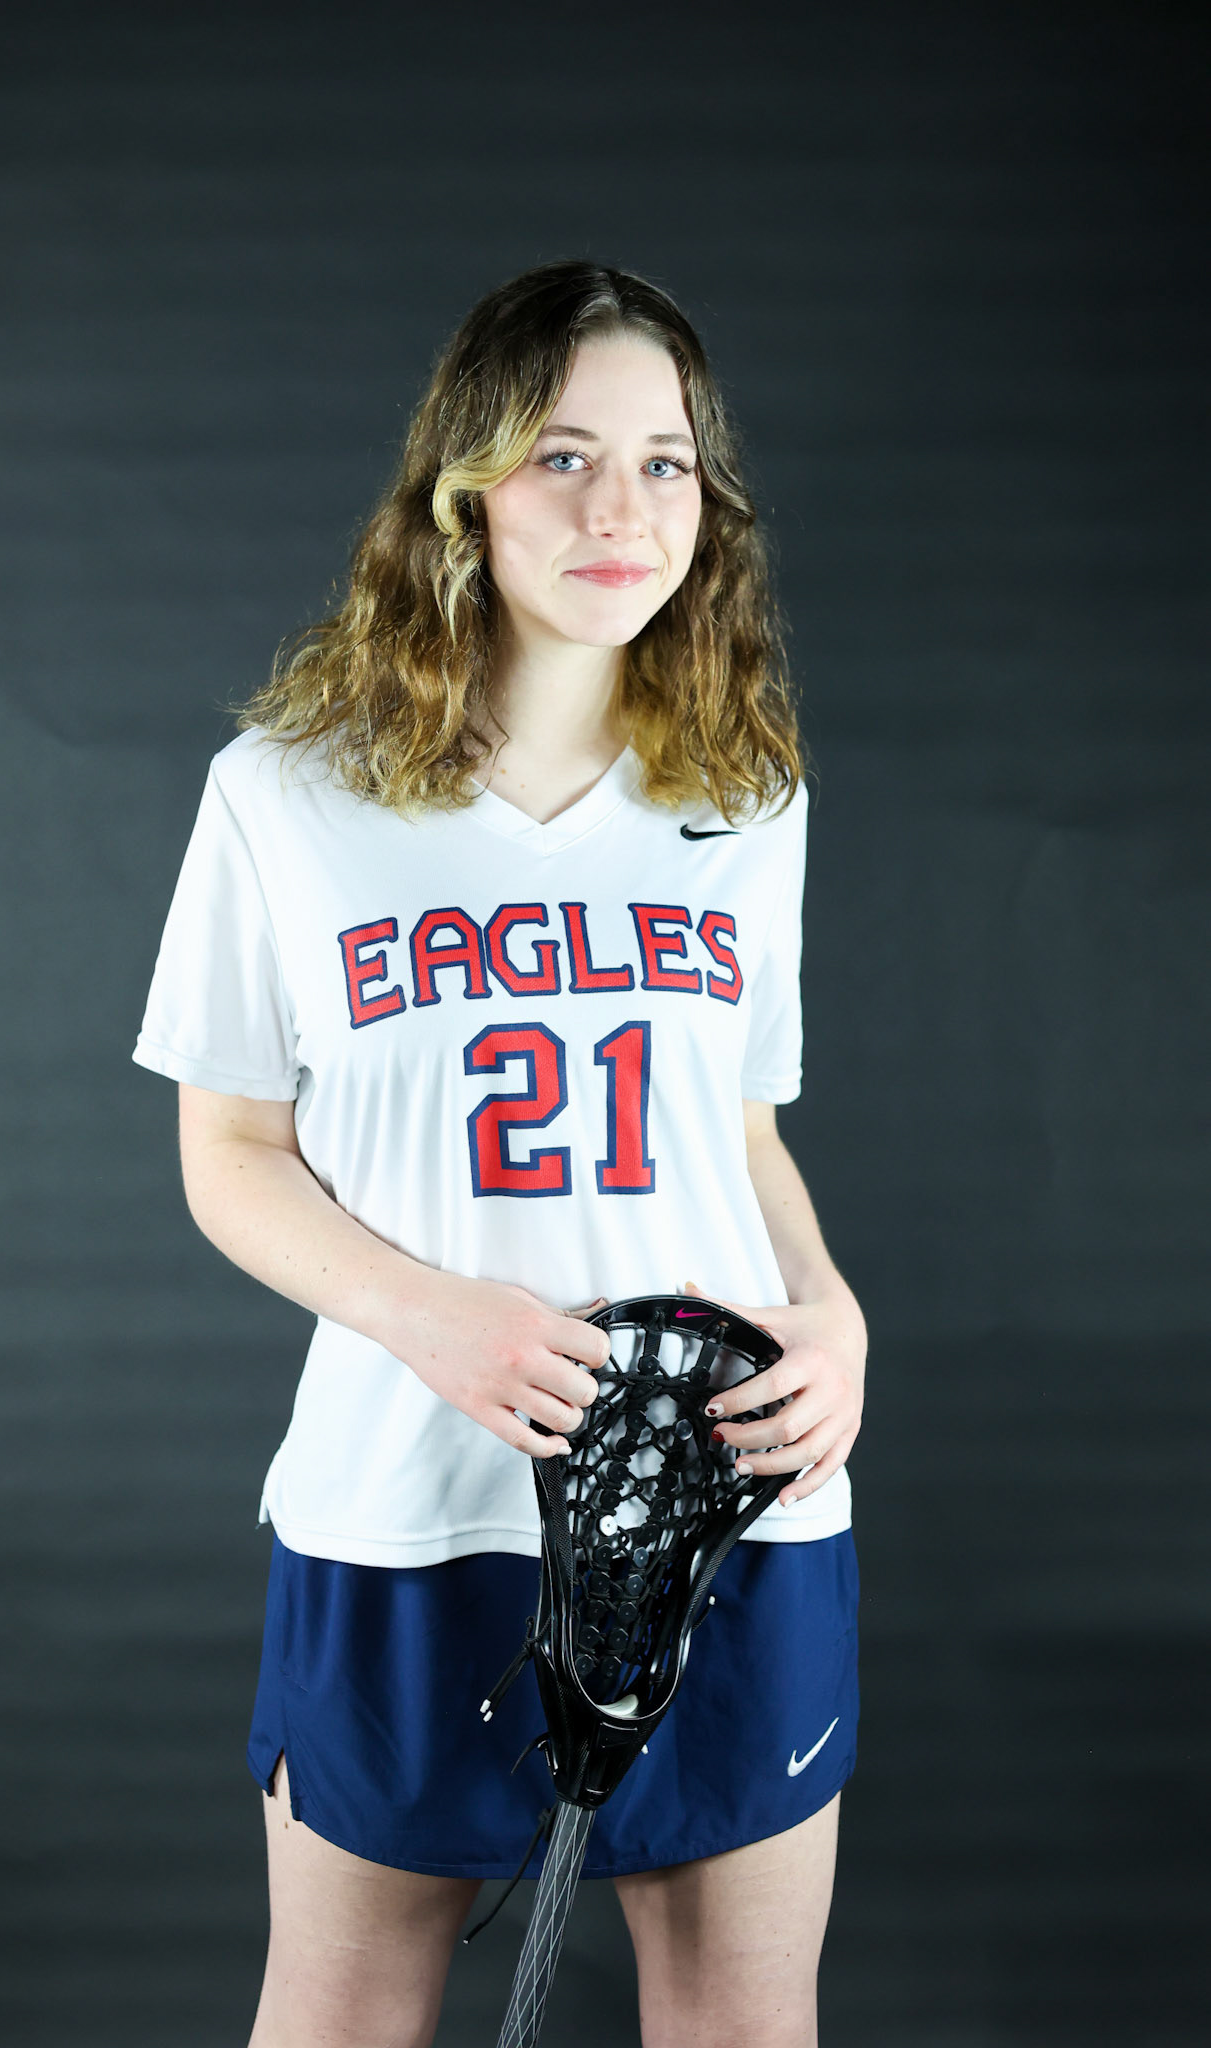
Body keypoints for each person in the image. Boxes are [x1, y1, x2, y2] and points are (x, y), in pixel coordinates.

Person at [132, 259, 867, 2048]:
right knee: (343, 2013)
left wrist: (833, 1313)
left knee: (742, 2022)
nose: (622, 511)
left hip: (724, 1487)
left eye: (663, 463)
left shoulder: (744, 789)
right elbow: (229, 1150)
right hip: (411, 1502)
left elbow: (740, 1135)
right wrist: (428, 1318)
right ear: (464, 486)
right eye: (563, 457)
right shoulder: (287, 790)